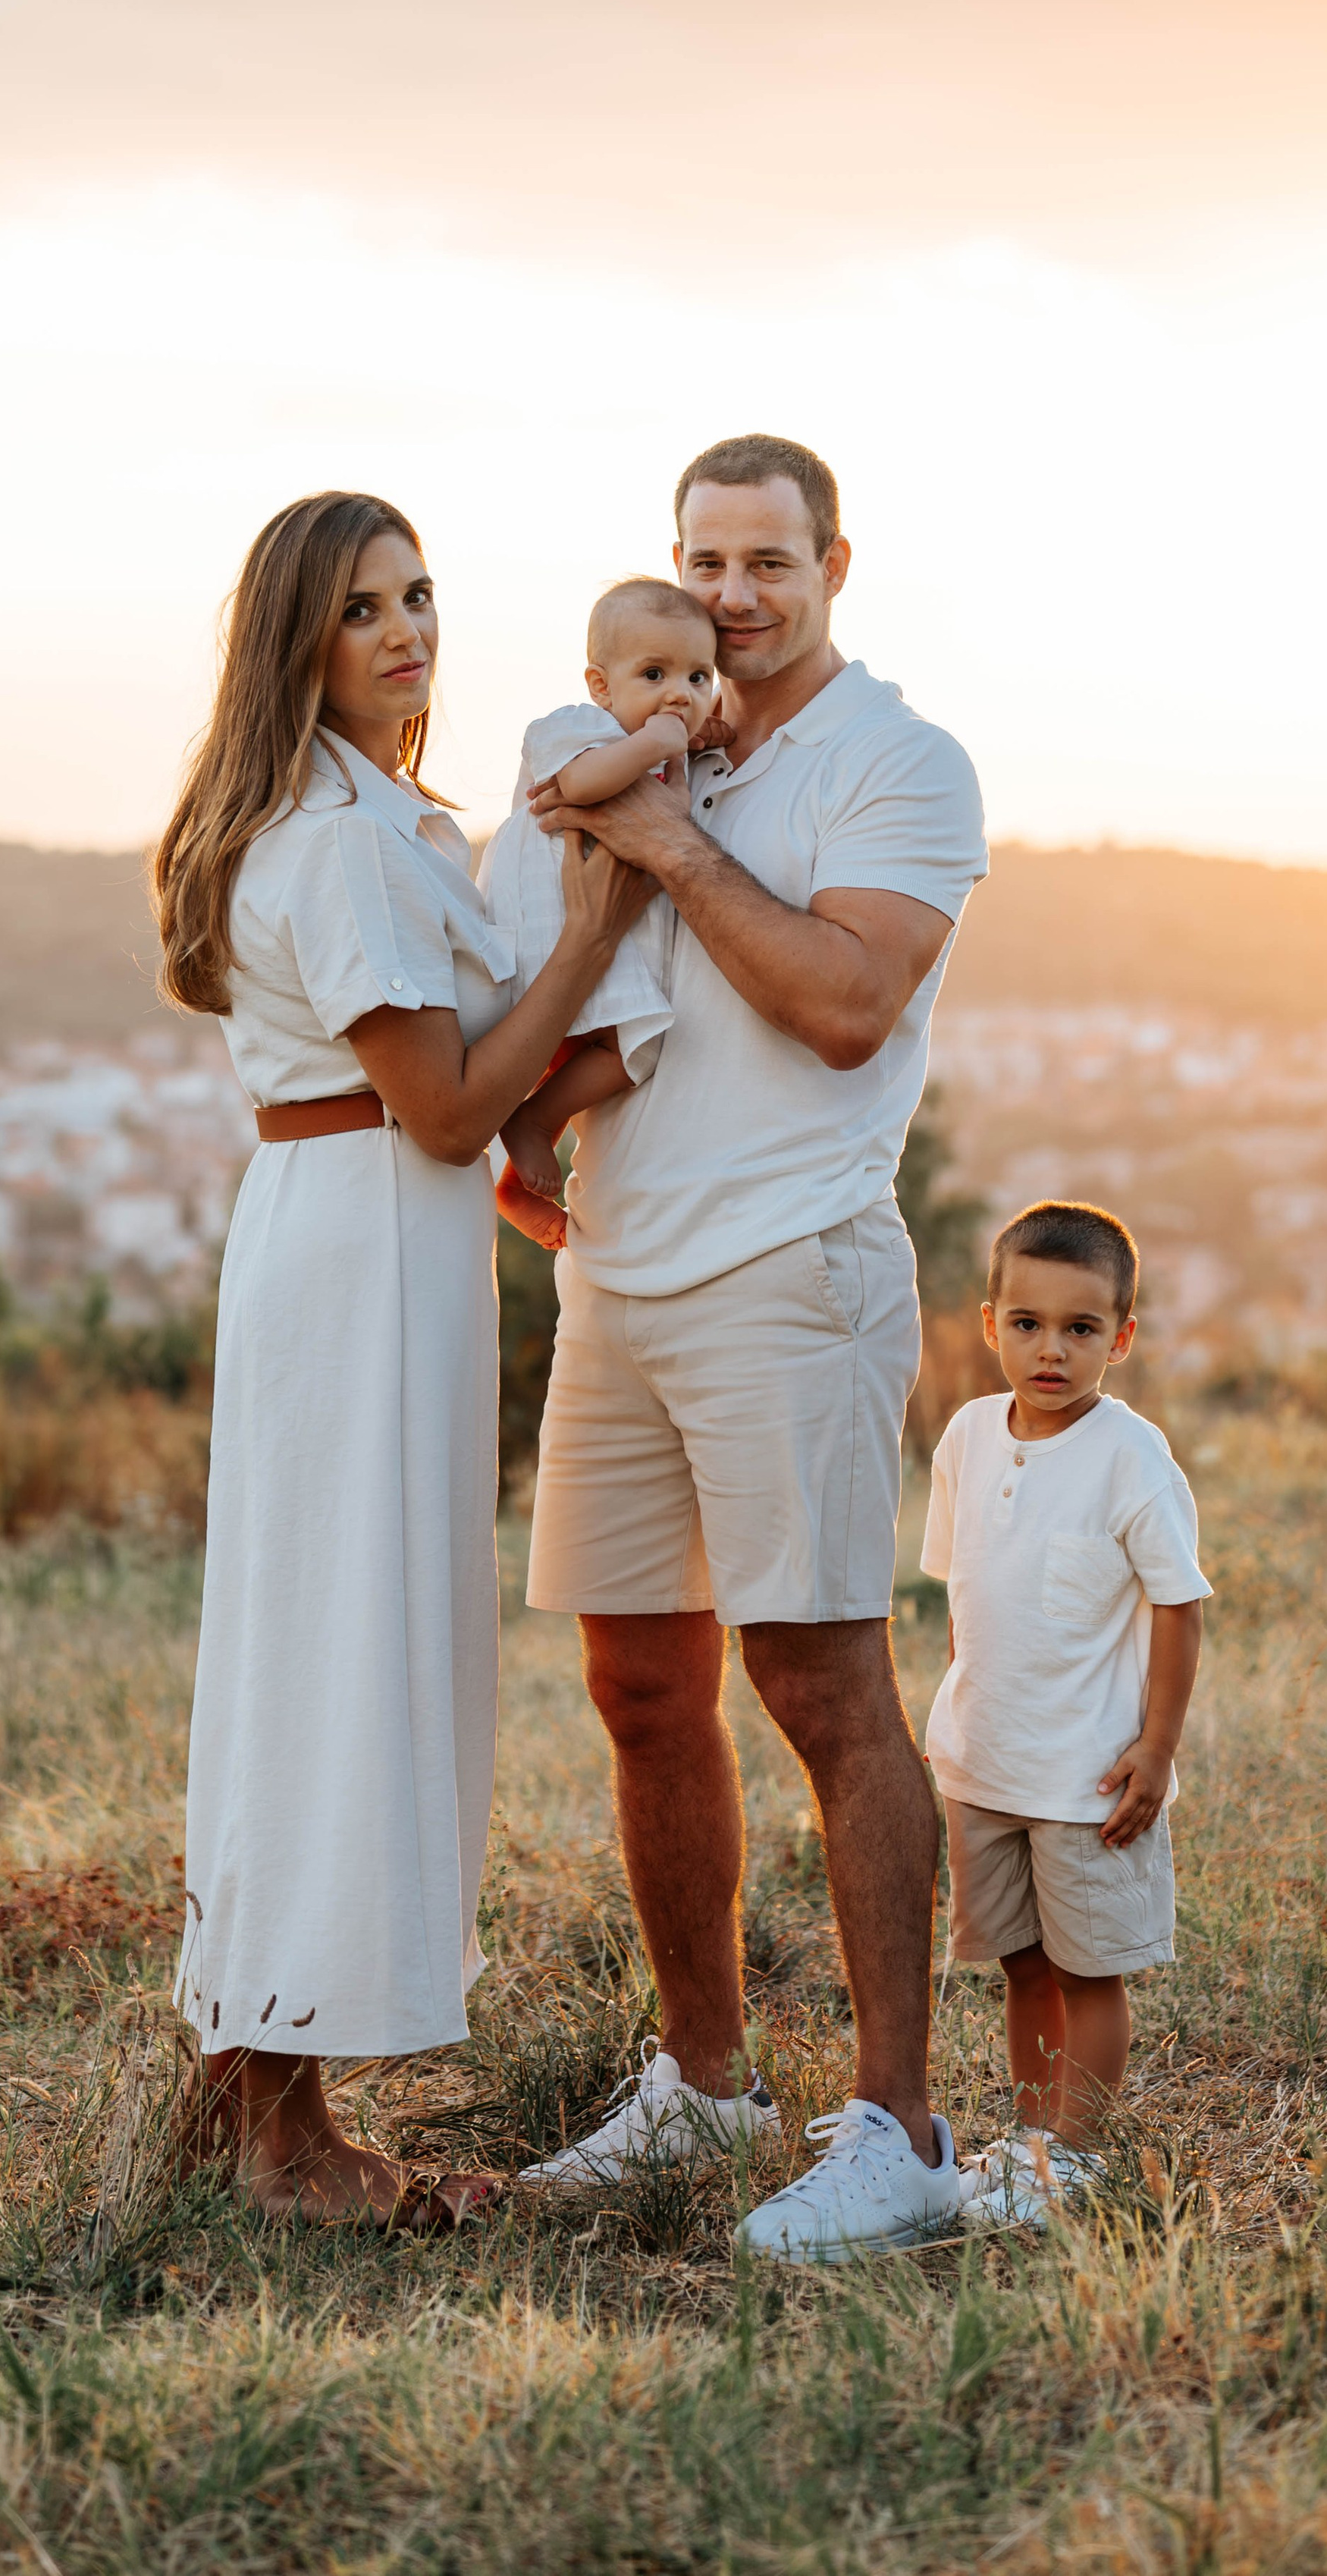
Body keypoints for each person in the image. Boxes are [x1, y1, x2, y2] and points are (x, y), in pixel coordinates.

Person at [516, 432, 990, 2264]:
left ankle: (897, 2130)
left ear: (833, 563)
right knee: (637, 1685)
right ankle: (699, 2084)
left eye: (767, 561)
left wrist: (665, 837)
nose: (732, 592)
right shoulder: (642, 729)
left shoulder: (895, 762)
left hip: (791, 1270)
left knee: (817, 1686)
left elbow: (845, 1002)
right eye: (704, 559)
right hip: (616, 1278)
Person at [152, 490, 648, 2229]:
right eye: (363, 606)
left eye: (419, 595)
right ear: (296, 637)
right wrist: (592, 938)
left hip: (348, 1231)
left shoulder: (361, 821)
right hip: (363, 1231)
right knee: (338, 1644)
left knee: (317, 1635)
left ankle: (253, 2081)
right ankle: (283, 2127)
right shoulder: (346, 842)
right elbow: (443, 1108)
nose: (407, 628)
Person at [915, 1200, 1209, 2235]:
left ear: (1120, 1339)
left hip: (1088, 1775)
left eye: (1082, 1329)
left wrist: (1156, 1753)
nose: (1052, 1349)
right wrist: (960, 1722)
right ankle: (1028, 2140)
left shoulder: (1132, 1456)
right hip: (985, 1765)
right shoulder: (965, 1439)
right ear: (988, 1321)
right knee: (1023, 1965)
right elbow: (966, 1602)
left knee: (1089, 1971)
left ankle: (1073, 2158)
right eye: (1028, 1323)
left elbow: (1179, 1605)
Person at [481, 576, 732, 1248]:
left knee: (620, 1053)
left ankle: (518, 1169)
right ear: (600, 685)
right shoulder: (575, 727)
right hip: (545, 924)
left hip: (601, 929)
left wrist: (690, 739)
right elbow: (583, 783)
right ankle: (529, 1127)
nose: (679, 693)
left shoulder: (658, 746)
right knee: (581, 1046)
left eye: (699, 676)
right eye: (654, 673)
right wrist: (659, 743)